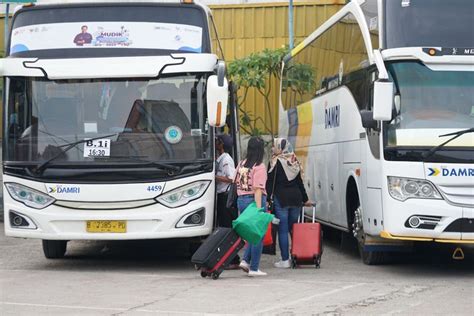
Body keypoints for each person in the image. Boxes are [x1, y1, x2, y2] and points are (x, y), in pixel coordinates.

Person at [266, 138, 312, 269]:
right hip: (296, 199)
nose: (273, 149)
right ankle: (299, 256)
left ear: (280, 148)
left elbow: (270, 183)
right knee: (295, 229)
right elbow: (299, 182)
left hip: (282, 200)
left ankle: (285, 260)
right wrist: (305, 199)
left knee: (283, 229)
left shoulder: (274, 162)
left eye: (275, 146)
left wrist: (268, 198)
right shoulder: (293, 160)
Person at [236, 136, 268, 277]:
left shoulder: (241, 164)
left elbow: (233, 180)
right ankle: (254, 268)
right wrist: (259, 209)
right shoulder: (259, 166)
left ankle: (245, 261)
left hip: (241, 200)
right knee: (258, 235)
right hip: (254, 200)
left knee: (250, 234)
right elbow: (258, 190)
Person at [214, 134, 239, 268]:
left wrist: (215, 177)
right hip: (221, 195)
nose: (215, 143)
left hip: (226, 196)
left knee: (227, 228)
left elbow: (231, 178)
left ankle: (234, 259)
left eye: (217, 141)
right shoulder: (220, 158)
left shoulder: (227, 160)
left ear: (222, 144)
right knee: (223, 228)